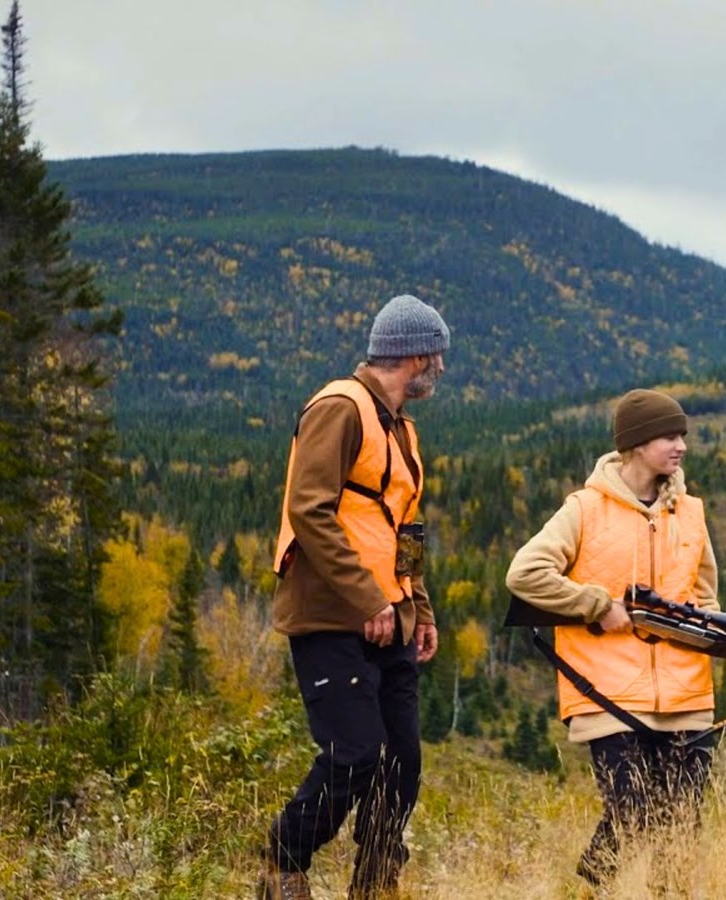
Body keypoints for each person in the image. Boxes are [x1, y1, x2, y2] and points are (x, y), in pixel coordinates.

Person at [506, 388, 726, 892]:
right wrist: (597, 605)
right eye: (668, 437)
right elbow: (525, 574)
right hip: (607, 694)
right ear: (635, 444)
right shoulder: (585, 509)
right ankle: (593, 886)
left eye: (682, 436)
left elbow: (704, 608)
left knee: (680, 832)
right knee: (631, 816)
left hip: (686, 696)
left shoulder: (690, 513)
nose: (681, 446)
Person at [260, 294, 449, 900]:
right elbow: (308, 511)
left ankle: (375, 884)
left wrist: (418, 607)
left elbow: (405, 527)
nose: (440, 369)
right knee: (355, 753)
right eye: (437, 357)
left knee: (402, 762)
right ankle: (283, 863)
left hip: (391, 615)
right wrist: (369, 600)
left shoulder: (402, 429)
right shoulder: (339, 408)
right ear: (414, 356)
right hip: (330, 615)